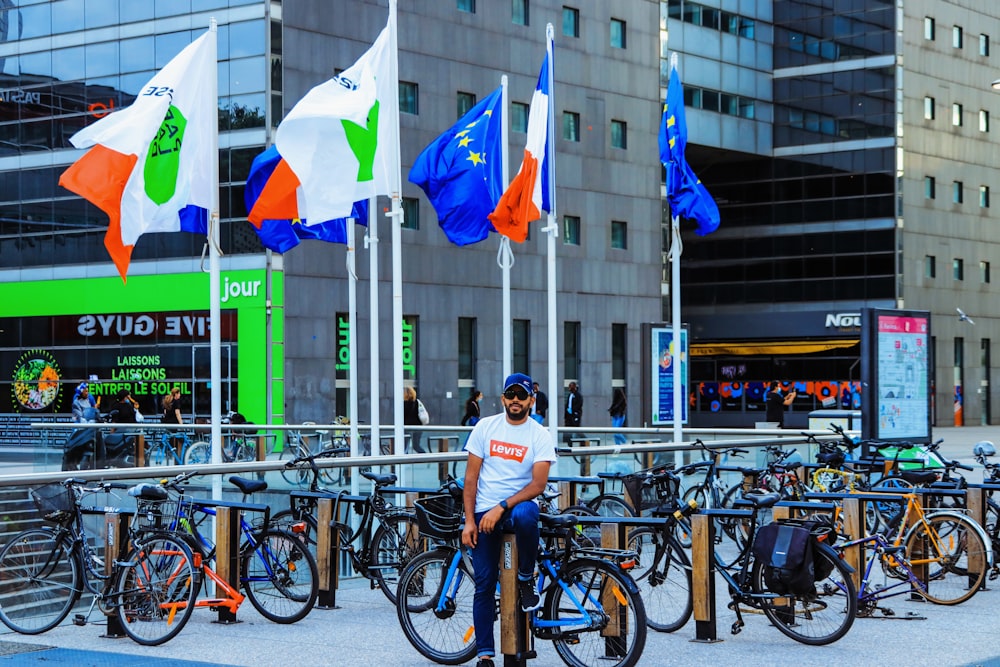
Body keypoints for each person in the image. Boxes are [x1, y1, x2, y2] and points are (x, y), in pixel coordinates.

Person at [462, 373, 557, 667]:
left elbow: (538, 485)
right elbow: (471, 478)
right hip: (482, 515)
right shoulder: (485, 427)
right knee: (484, 584)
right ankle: (485, 654)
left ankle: (526, 578)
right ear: (503, 398)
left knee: (529, 511)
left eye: (521, 395)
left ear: (531, 400)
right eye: (510, 394)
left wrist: (500, 507)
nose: (515, 400)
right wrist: (469, 521)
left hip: (512, 510)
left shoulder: (539, 434)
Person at [403, 385, 427, 453]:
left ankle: (405, 461)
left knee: (405, 446)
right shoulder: (416, 402)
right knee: (416, 446)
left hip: (407, 427)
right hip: (418, 427)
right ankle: (427, 458)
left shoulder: (403, 404)